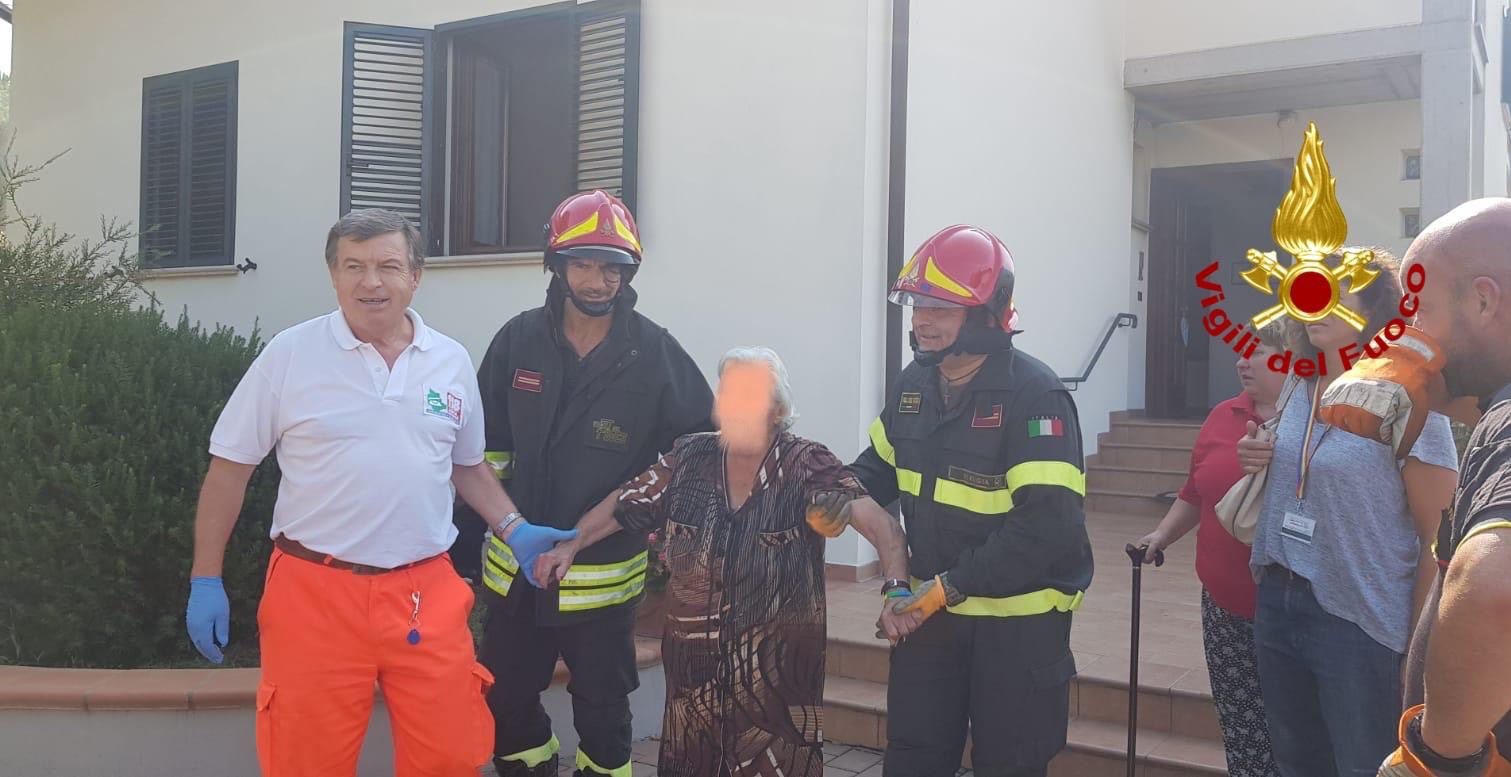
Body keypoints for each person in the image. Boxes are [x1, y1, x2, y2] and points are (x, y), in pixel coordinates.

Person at [183, 209, 575, 776]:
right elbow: (229, 470)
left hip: (425, 592)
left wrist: (514, 529)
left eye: (388, 266)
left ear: (415, 276)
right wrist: (205, 578)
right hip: (313, 591)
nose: (371, 282)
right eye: (354, 266)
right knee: (306, 762)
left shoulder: (450, 360)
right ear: (333, 276)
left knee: (450, 756)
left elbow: (466, 466)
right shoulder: (289, 356)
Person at [533, 346, 917, 777]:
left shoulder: (807, 464)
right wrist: (571, 544)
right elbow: (625, 503)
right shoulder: (689, 458)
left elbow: (884, 528)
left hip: (774, 691)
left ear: (777, 410)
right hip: (692, 690)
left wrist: (896, 591)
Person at [455, 190, 715, 777]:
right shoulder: (517, 340)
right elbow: (482, 451)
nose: (599, 282)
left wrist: (650, 514)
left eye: (612, 269)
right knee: (505, 699)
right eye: (584, 266)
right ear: (556, 265)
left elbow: (699, 450)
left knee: (603, 714)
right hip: (517, 576)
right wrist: (471, 545)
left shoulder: (654, 352)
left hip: (602, 583)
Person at [1353, 198, 1511, 777]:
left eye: (1421, 312)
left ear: (1483, 300)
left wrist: (1439, 754)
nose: (1412, 336)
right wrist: (1445, 393)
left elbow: (1503, 590)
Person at [848, 224, 1093, 777]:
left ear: (985, 315)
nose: (921, 321)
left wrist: (945, 588)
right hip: (929, 619)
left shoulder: (1036, 396)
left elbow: (1046, 527)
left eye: (940, 308)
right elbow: (875, 470)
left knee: (1009, 765)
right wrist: (829, 489)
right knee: (912, 757)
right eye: (917, 306)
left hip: (1017, 630)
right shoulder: (913, 385)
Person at [1236, 249, 1458, 777]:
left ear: (1373, 306)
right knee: (1296, 763)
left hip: (1359, 621)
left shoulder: (1409, 395)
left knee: (1362, 765)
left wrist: (1418, 651)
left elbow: (1439, 537)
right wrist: (1257, 454)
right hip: (1279, 597)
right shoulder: (1299, 383)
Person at [1136, 319, 1292, 777]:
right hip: (1223, 605)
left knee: (1293, 729)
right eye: (1241, 352)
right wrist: (1161, 536)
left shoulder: (1314, 420)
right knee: (1241, 726)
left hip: (1291, 611)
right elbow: (1194, 490)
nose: (1242, 362)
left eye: (1257, 352)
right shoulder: (1223, 414)